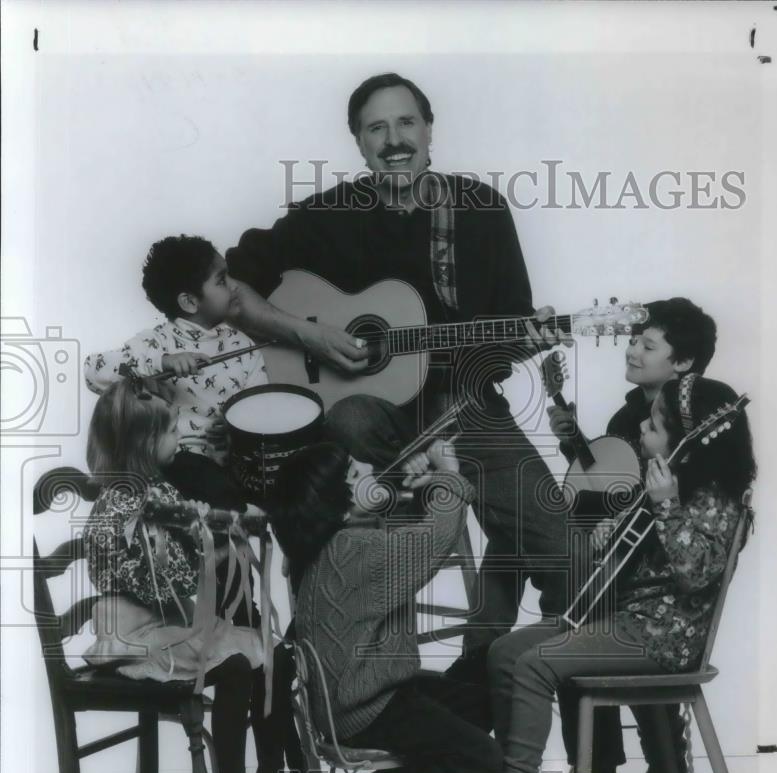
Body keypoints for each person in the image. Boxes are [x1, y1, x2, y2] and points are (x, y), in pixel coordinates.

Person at [227, 72, 572, 659]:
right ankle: (447, 492)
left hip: (463, 405)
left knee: (569, 554)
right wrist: (308, 335)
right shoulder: (325, 215)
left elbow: (510, 325)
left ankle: (476, 681)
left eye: (406, 122)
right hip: (368, 421)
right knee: (352, 417)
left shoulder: (480, 210)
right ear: (358, 142)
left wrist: (525, 338)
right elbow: (228, 290)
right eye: (376, 127)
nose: (394, 140)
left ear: (430, 129)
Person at [446, 374, 755, 773]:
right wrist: (605, 531)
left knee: (535, 665)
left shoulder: (715, 498)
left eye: (655, 424)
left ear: (685, 439)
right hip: (624, 621)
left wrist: (665, 505)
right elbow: (629, 560)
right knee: (505, 651)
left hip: (664, 639)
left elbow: (696, 576)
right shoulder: (662, 478)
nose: (642, 427)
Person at [82, 377, 319, 773]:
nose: (181, 440)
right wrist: (202, 541)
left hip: (169, 624)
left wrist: (219, 523)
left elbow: (193, 527)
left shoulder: (155, 490)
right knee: (233, 666)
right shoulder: (120, 506)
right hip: (134, 632)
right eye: (172, 432)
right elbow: (163, 586)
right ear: (146, 444)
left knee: (271, 652)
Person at [269, 438, 504, 773]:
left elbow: (402, 546)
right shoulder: (353, 551)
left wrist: (427, 486)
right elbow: (433, 544)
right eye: (357, 474)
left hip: (367, 695)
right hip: (368, 709)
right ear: (339, 509)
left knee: (494, 670)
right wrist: (448, 472)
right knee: (484, 759)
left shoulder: (335, 545)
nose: (370, 464)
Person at [550, 298, 718, 773]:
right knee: (569, 602)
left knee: (573, 616)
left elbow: (675, 512)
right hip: (622, 568)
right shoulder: (627, 417)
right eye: (633, 339)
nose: (632, 349)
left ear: (684, 364)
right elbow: (609, 488)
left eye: (649, 344)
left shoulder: (695, 427)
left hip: (662, 580)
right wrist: (570, 441)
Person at [84, 234, 267, 509]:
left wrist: (233, 433)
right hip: (178, 463)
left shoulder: (243, 345)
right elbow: (93, 371)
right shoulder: (157, 343)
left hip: (234, 463)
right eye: (221, 280)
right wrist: (162, 363)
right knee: (197, 474)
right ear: (190, 302)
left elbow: (259, 410)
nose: (234, 287)